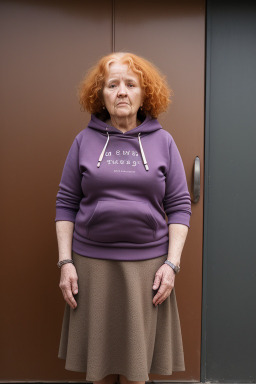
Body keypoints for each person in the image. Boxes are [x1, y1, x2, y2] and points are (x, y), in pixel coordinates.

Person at [55, 52, 191, 384]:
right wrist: (65, 262)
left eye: (131, 84)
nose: (122, 92)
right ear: (99, 94)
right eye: (112, 84)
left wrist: (171, 266)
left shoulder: (164, 142)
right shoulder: (83, 141)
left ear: (145, 94)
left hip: (148, 270)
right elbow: (65, 204)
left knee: (137, 370)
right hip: (91, 265)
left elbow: (180, 206)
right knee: (97, 369)